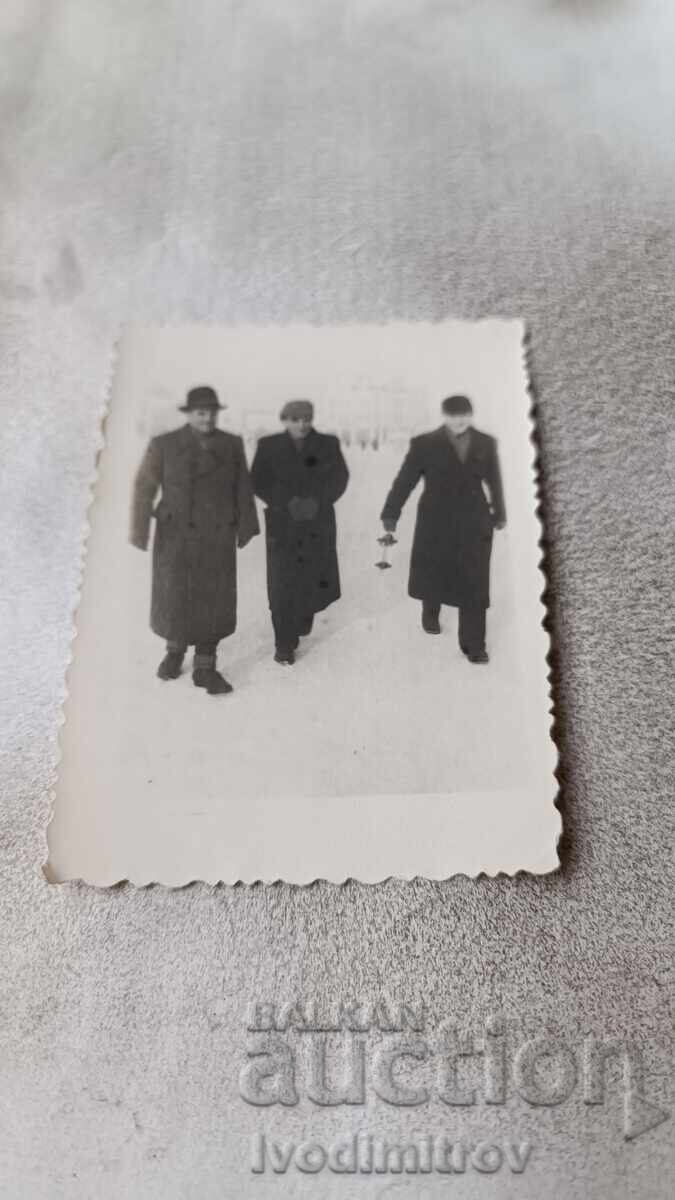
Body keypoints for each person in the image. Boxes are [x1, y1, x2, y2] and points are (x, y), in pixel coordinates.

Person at [130, 385, 259, 694]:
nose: (208, 419)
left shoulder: (231, 444)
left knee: (213, 599)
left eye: (212, 413)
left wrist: (246, 526)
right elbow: (144, 486)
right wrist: (139, 530)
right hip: (175, 536)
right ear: (189, 414)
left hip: (216, 536)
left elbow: (242, 486)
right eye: (201, 413)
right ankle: (174, 653)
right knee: (175, 595)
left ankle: (205, 666)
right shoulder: (164, 444)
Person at [380, 394, 506, 663]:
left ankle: (474, 645)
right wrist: (391, 513)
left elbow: (495, 480)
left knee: (474, 579)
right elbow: (405, 481)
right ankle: (430, 607)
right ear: (444, 416)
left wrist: (499, 511)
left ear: (471, 415)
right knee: (435, 570)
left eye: (464, 414)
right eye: (453, 414)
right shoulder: (425, 444)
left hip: (474, 519)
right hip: (436, 519)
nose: (459, 420)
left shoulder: (486, 442)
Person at [251, 399, 349, 664]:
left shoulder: (328, 443)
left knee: (312, 579)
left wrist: (317, 501)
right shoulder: (268, 445)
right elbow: (258, 481)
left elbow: (340, 478)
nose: (302, 424)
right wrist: (286, 502)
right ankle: (283, 643)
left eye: (307, 418)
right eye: (295, 419)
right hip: (283, 524)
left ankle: (303, 618)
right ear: (284, 420)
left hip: (318, 523)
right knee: (281, 583)